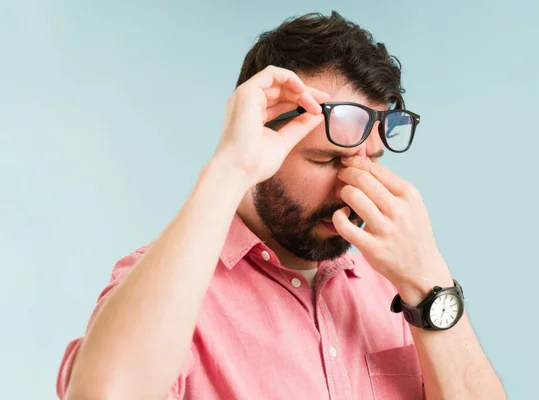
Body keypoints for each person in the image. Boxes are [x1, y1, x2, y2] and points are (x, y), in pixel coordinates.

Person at [56, 11, 505, 400]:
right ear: (261, 138)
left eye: (373, 160)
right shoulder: (169, 287)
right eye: (327, 159)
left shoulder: (401, 288)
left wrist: (429, 280)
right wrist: (231, 167)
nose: (357, 186)